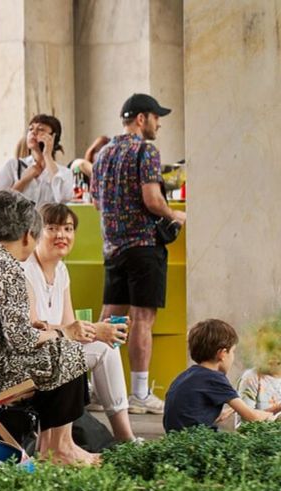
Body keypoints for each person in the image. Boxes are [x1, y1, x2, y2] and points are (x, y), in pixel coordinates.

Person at [90, 93, 187, 416]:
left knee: (109, 319)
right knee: (142, 319)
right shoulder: (146, 151)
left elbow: (95, 201)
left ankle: (92, 387)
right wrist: (176, 216)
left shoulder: (103, 154)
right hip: (144, 247)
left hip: (113, 247)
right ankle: (140, 393)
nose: (159, 123)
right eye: (156, 117)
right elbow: (152, 199)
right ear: (142, 119)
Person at [0, 190, 97, 465]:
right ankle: (58, 448)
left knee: (58, 347)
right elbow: (22, 341)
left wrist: (38, 328)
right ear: (28, 235)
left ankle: (59, 445)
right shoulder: (9, 267)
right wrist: (62, 332)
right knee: (66, 351)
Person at [22, 204, 137, 442]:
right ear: (35, 232)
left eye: (68, 228)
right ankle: (119, 438)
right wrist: (91, 330)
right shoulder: (26, 270)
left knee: (106, 347)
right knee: (97, 349)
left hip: (57, 352)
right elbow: (32, 330)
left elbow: (70, 326)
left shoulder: (61, 270)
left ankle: (125, 437)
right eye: (52, 228)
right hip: (31, 359)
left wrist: (102, 330)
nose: (62, 235)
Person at [163, 319, 276, 432]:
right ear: (222, 354)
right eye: (233, 351)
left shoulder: (186, 376)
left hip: (176, 440)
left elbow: (191, 414)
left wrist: (227, 411)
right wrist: (273, 418)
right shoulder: (215, 378)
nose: (233, 357)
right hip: (198, 441)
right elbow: (252, 417)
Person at [0, 114, 74, 207]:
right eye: (31, 129)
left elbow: (64, 199)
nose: (33, 132)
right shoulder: (13, 166)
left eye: (40, 129)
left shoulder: (65, 173)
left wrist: (47, 155)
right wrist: (23, 181)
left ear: (53, 137)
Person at [234, 317, 281, 422]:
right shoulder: (251, 378)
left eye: (277, 348)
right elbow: (244, 423)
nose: (272, 354)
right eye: (266, 348)